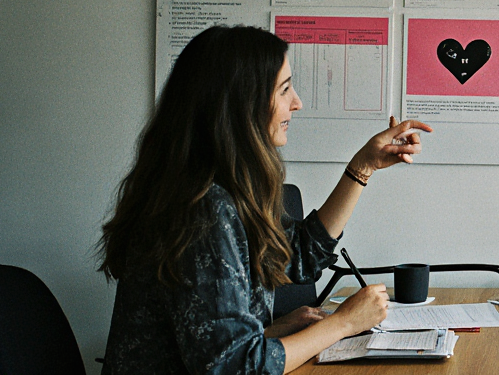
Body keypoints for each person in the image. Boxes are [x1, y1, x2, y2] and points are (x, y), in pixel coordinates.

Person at [98, 25, 433, 375]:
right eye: (285, 89)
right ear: (243, 104)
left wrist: (363, 165)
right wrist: (343, 324)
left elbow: (299, 256)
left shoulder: (224, 190)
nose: (297, 102)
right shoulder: (203, 210)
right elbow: (238, 369)